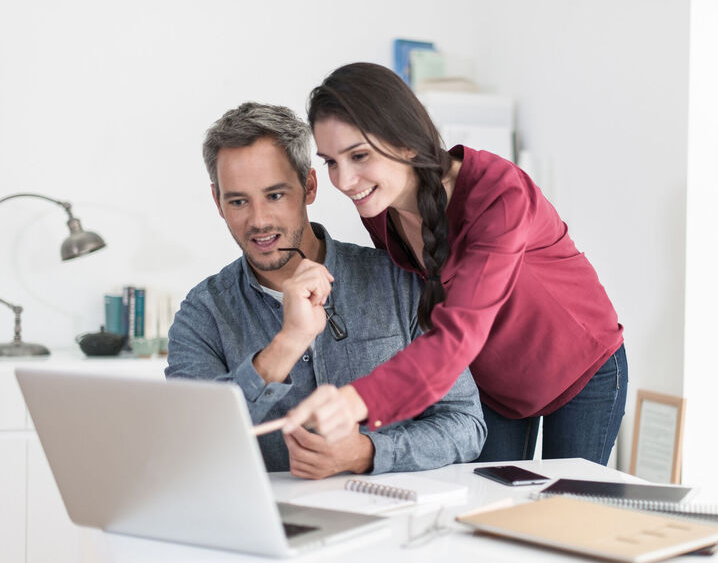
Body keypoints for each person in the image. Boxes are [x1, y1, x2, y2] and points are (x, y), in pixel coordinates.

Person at [281, 62, 628, 465]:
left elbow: (457, 332)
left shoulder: (500, 194)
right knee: (484, 509)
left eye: (358, 155)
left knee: (565, 519)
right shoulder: (379, 205)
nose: (343, 180)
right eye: (331, 162)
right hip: (493, 382)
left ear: (406, 140)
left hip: (579, 368)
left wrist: (355, 400)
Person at [165, 102, 486, 479]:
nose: (259, 220)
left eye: (275, 195)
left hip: (391, 521)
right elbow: (193, 444)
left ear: (309, 187)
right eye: (238, 201)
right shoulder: (201, 315)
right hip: (274, 527)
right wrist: (287, 342)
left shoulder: (397, 280)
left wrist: (366, 453)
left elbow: (465, 424)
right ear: (217, 202)